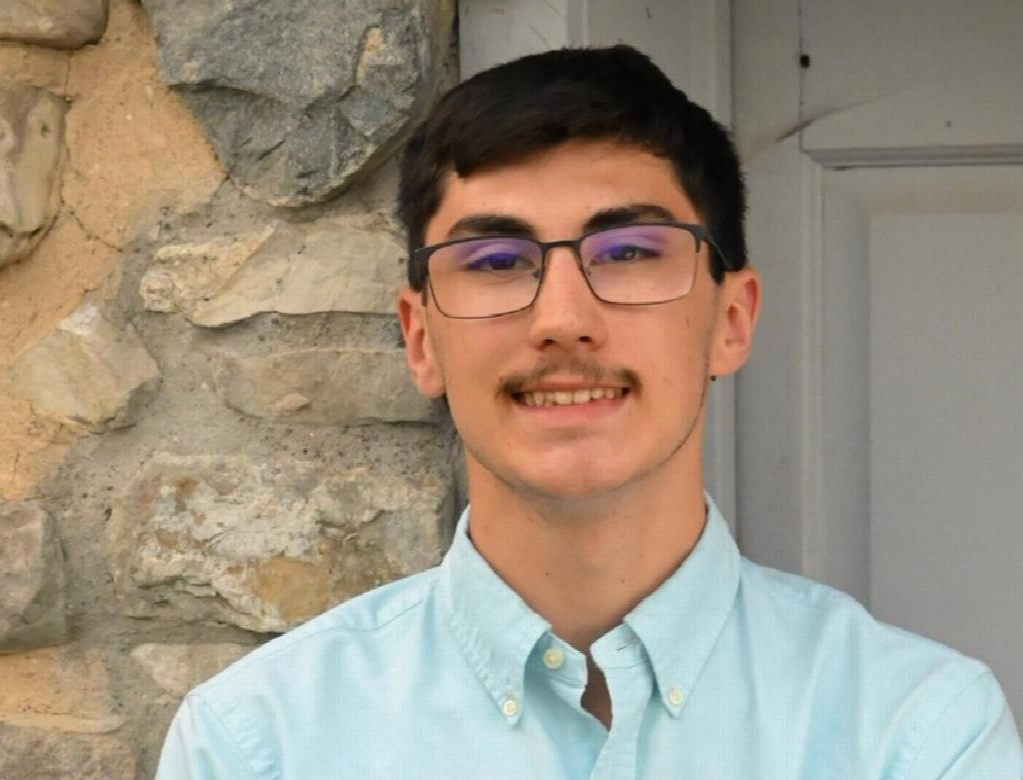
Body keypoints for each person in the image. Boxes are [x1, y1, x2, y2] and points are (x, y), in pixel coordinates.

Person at [156, 45, 1022, 778]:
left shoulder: (914, 734)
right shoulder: (259, 744)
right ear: (421, 339)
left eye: (631, 251)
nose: (563, 319)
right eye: (495, 261)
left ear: (731, 320)